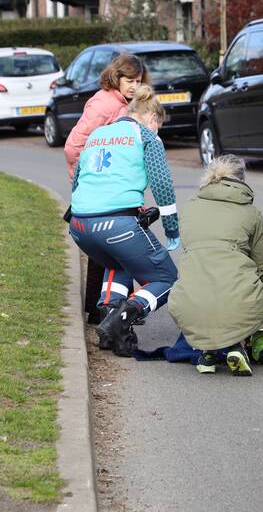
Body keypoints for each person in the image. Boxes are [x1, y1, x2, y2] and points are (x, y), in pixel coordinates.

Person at [68, 85, 180, 357]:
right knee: (167, 278)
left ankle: (108, 322)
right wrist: (171, 228)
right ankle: (123, 318)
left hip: (80, 224)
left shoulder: (98, 134)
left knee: (117, 262)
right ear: (153, 119)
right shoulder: (146, 136)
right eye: (159, 126)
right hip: (116, 223)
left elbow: (78, 179)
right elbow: (162, 184)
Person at [169, 155, 263, 375]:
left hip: (188, 306)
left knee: (208, 281)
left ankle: (208, 351)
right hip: (236, 304)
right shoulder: (251, 214)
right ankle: (236, 344)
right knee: (258, 293)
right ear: (241, 181)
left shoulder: (189, 208)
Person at [64, 54, 149, 325]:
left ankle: (104, 308)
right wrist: (86, 180)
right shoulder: (103, 104)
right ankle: (102, 309)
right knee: (112, 247)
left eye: (138, 81)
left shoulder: (123, 102)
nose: (134, 86)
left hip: (113, 186)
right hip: (99, 186)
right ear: (116, 78)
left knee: (108, 249)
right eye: (129, 81)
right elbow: (74, 146)